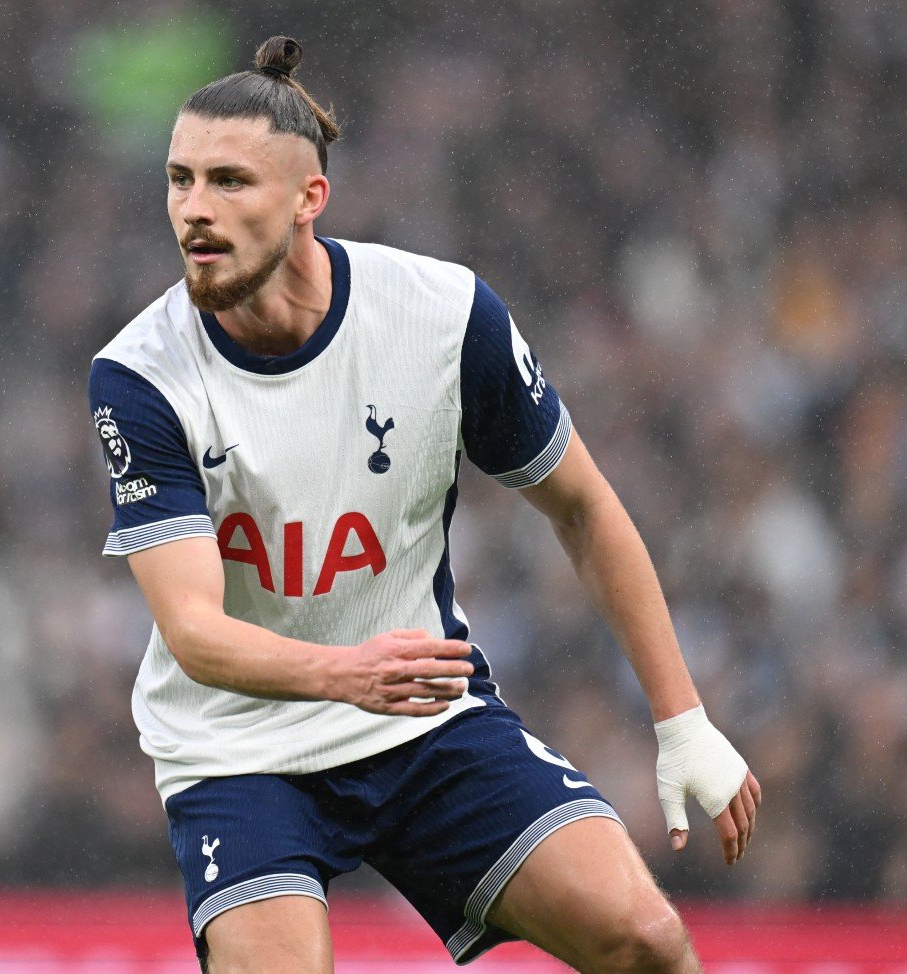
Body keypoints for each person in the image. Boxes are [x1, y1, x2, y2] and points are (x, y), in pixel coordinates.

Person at [88, 35, 761, 974]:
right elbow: (195, 631)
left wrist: (682, 719)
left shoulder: (442, 317)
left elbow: (583, 508)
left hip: (422, 719)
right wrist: (343, 673)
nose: (194, 211)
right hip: (238, 746)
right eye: (179, 179)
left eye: (230, 182)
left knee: (645, 940)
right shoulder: (140, 376)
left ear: (307, 199)